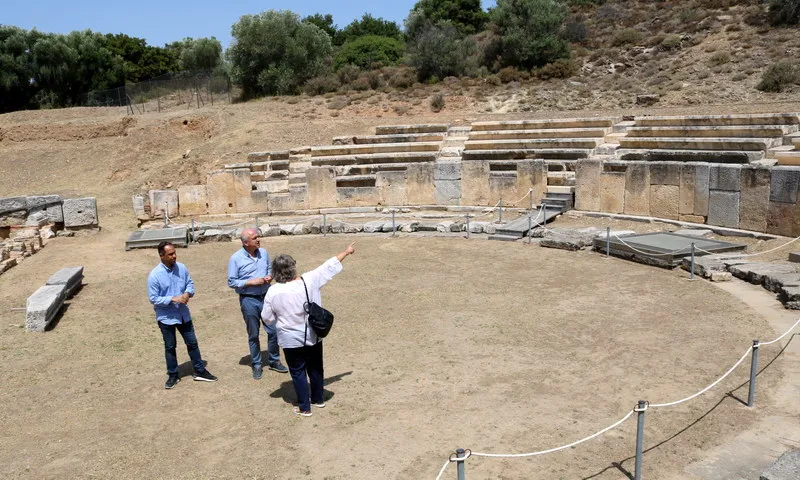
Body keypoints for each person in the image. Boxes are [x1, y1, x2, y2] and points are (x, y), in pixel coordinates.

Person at [261, 242, 356, 417]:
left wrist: (280, 320)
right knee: (315, 367)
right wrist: (346, 252)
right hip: (312, 333)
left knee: (297, 372)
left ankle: (305, 407)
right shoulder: (309, 280)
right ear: (293, 267)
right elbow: (328, 266)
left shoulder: (273, 292)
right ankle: (318, 399)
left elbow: (267, 317)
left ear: (275, 272)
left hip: (290, 338)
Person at [147, 241, 217, 389]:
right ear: (162, 256)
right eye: (170, 254)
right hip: (166, 318)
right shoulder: (155, 275)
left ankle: (200, 370)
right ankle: (173, 374)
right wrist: (173, 298)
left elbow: (190, 284)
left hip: (183, 315)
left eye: (174, 253)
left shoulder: (182, 268)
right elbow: (153, 298)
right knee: (170, 346)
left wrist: (186, 293)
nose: (174, 256)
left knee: (192, 343)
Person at [227, 228, 288, 379]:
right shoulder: (235, 259)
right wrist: (250, 282)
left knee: (273, 331)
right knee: (253, 334)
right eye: (255, 238)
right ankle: (257, 364)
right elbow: (231, 281)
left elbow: (269, 268)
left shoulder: (264, 253)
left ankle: (274, 361)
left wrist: (269, 276)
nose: (258, 239)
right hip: (249, 299)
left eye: (258, 237)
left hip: (266, 297)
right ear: (245, 242)